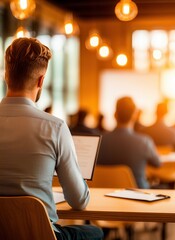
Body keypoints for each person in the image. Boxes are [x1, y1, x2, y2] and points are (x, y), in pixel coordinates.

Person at [0, 37, 103, 240]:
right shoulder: (55, 127)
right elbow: (79, 200)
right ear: (41, 81)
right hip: (41, 235)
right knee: (95, 232)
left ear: (6, 76)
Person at [97, 96, 161, 189]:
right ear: (134, 115)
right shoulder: (144, 142)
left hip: (103, 194)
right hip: (137, 196)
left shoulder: (98, 140)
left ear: (115, 114)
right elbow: (157, 164)